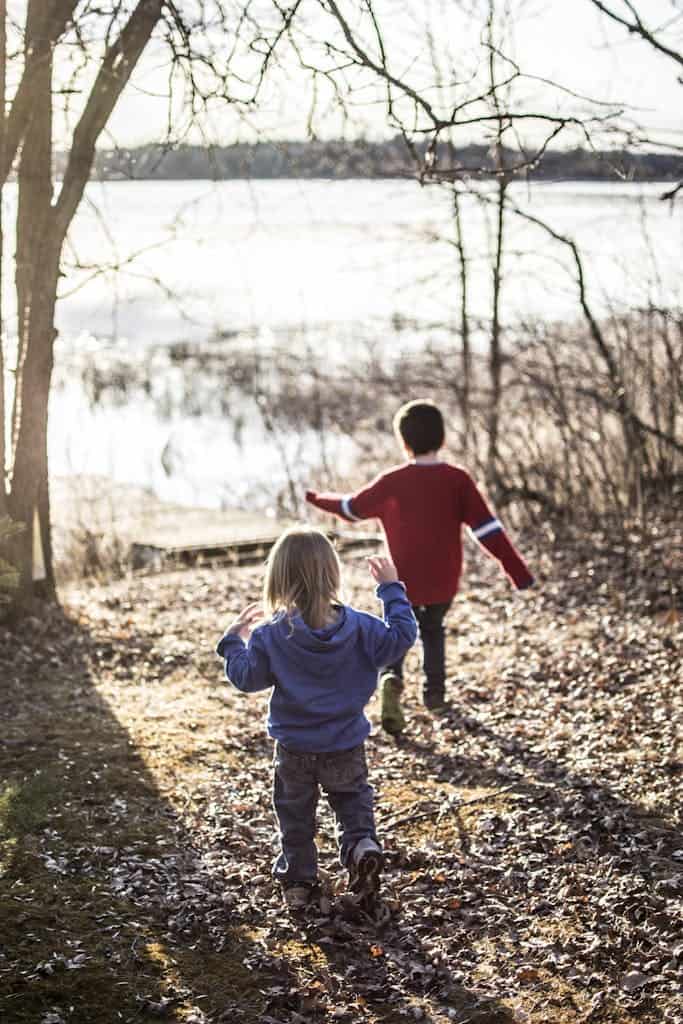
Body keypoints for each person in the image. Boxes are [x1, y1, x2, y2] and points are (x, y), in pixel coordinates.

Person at [215, 526, 417, 912]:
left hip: (294, 749)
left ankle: (299, 882)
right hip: (345, 742)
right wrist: (391, 588)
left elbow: (246, 679)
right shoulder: (361, 627)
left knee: (295, 817)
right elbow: (401, 637)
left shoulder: (269, 635)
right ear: (333, 573)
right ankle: (362, 849)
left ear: (279, 577)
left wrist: (232, 642)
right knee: (353, 804)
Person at [305, 399, 534, 735]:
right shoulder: (457, 480)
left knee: (397, 631)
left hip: (401, 580)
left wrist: (317, 498)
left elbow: (351, 508)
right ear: (441, 439)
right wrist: (517, 571)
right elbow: (487, 529)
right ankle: (435, 696)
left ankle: (391, 678)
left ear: (404, 442)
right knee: (433, 631)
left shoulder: (392, 481)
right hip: (443, 580)